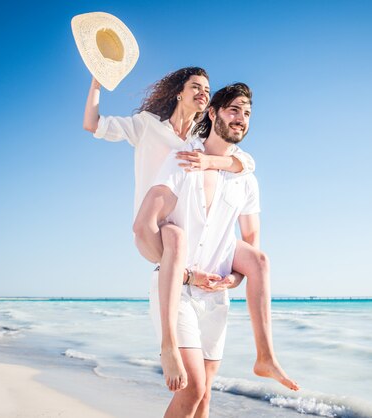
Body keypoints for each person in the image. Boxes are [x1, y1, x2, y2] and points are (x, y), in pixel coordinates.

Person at [83, 69, 296, 393]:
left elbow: (243, 163)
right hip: (156, 222)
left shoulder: (204, 139)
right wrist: (97, 82)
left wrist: (212, 163)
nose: (202, 93)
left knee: (259, 260)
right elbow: (93, 124)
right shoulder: (149, 126)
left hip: (199, 232)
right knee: (176, 238)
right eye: (195, 87)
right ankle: (169, 343)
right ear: (179, 93)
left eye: (206, 89)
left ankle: (265, 355)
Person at [140, 83, 297, 418]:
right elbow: (143, 227)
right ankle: (169, 345)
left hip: (215, 301)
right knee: (192, 389)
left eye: (247, 113)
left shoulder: (246, 178)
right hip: (177, 293)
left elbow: (251, 238)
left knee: (206, 397)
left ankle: (265, 356)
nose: (241, 119)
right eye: (233, 110)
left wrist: (234, 280)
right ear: (212, 113)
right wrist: (180, 269)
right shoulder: (183, 160)